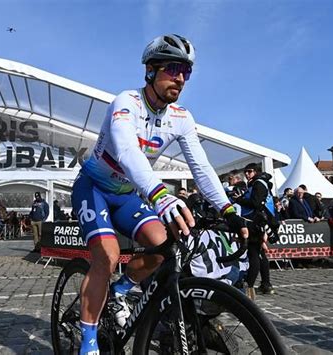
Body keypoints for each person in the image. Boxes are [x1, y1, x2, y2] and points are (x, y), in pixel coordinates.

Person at [71, 34, 247, 355]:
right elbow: (126, 151)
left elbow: (202, 168)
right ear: (151, 70)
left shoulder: (181, 118)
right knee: (107, 258)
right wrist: (160, 195)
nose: (180, 77)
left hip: (126, 195)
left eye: (186, 72)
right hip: (93, 189)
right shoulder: (126, 103)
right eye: (173, 68)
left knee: (165, 245)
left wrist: (228, 210)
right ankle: (89, 340)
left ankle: (124, 290)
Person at [234, 163, 276, 298]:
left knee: (254, 253)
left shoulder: (258, 183)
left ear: (256, 171)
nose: (247, 174)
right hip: (260, 221)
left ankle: (249, 286)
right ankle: (266, 284)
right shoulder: (259, 183)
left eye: (250, 171)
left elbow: (255, 203)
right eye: (245, 171)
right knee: (260, 253)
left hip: (256, 222)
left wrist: (239, 200)